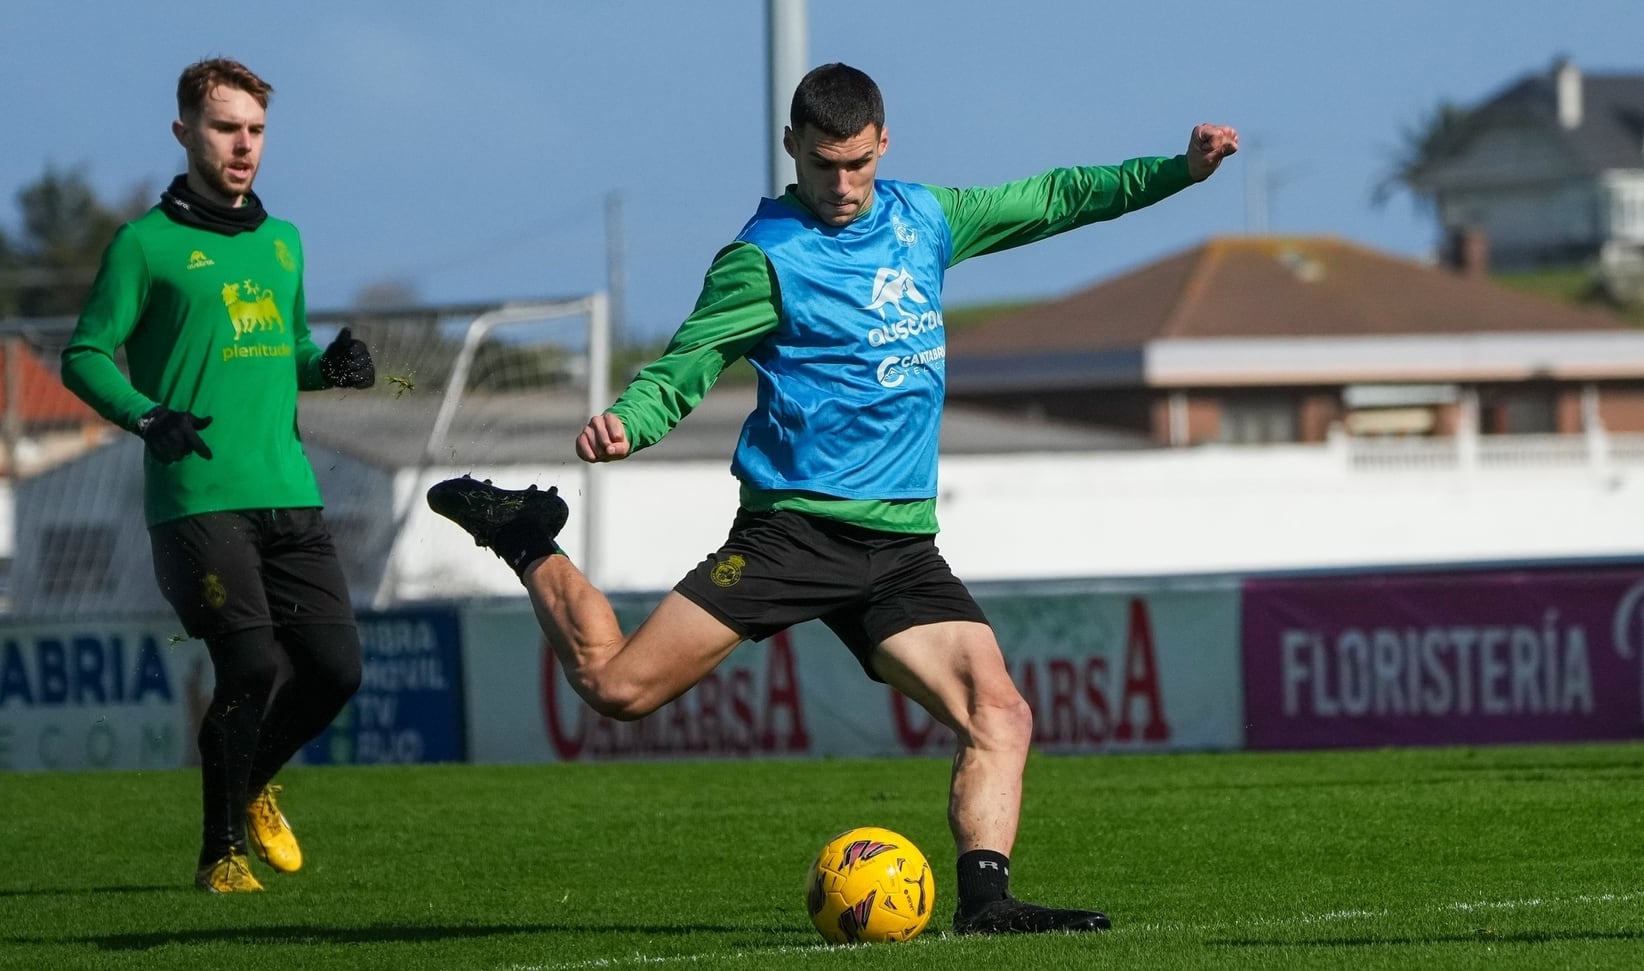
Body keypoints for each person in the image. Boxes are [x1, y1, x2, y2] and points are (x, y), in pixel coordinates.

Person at [428, 62, 1237, 934]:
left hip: (900, 550)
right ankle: (525, 538)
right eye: (823, 166)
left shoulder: (926, 218)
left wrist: (1175, 171)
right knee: (618, 689)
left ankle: (986, 903)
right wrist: (630, 420)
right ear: (791, 149)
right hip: (793, 535)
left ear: (883, 143)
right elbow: (686, 362)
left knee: (999, 711)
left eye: (857, 164)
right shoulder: (762, 257)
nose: (843, 185)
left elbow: (1053, 197)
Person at [61, 57, 372, 893]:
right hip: (196, 495)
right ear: (185, 132)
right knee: (250, 669)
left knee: (337, 667)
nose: (243, 146)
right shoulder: (144, 245)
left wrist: (328, 364)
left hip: (289, 488)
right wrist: (145, 414)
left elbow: (285, 353)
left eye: (256, 131)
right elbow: (84, 354)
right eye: (226, 127)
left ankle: (254, 781)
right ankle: (220, 854)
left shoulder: (283, 242)